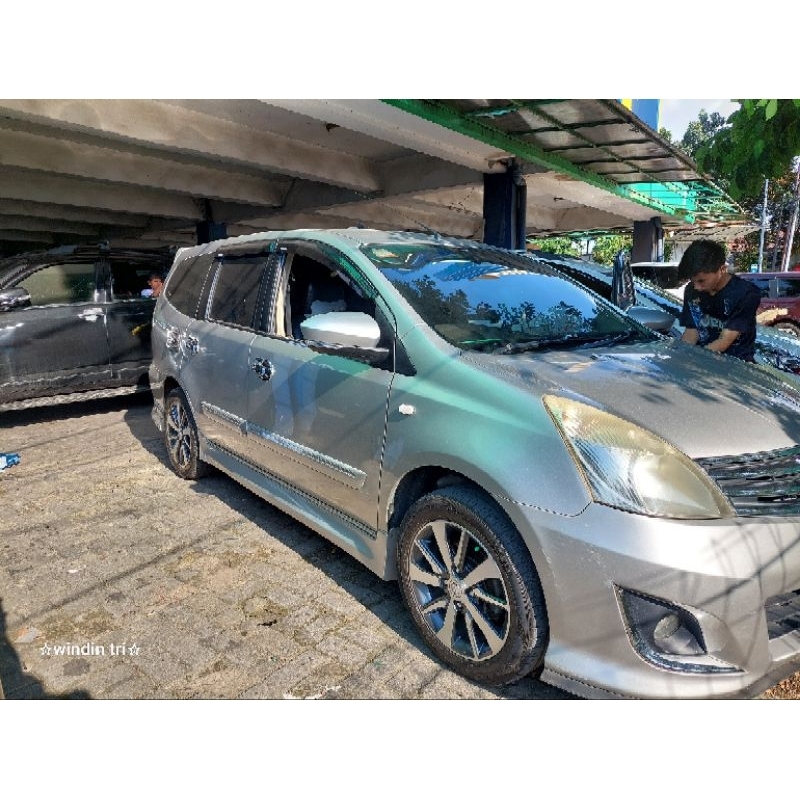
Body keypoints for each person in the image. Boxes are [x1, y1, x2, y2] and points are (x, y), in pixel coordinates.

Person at [677, 239, 760, 362]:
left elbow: (724, 340)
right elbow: (691, 332)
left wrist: (693, 360)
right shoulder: (691, 290)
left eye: (701, 281)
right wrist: (680, 357)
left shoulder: (746, 293)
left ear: (722, 269)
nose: (696, 287)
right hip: (701, 361)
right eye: (692, 281)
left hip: (735, 365)